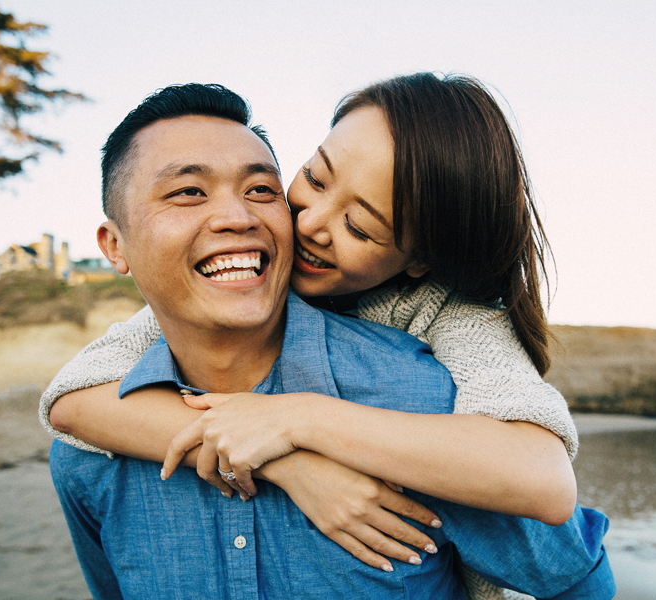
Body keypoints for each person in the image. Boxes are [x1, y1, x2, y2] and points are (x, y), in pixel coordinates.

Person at [44, 80, 613, 599]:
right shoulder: (103, 442)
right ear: (113, 246)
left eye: (361, 227)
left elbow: (544, 487)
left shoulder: (441, 375)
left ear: (417, 260)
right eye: (313, 179)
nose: (311, 223)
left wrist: (299, 420)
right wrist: (288, 464)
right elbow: (71, 402)